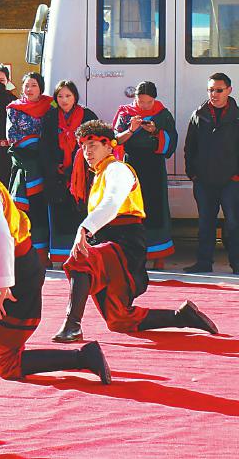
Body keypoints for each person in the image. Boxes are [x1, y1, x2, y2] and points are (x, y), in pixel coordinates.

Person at [0, 125, 111, 384]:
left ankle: (83, 357)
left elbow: (1, 236)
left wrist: (3, 285)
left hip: (17, 267)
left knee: (7, 366)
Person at [52, 121, 218, 343]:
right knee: (119, 320)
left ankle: (72, 325)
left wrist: (84, 228)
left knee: (81, 259)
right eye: (83, 147)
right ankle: (181, 317)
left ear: (109, 146)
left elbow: (112, 203)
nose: (87, 152)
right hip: (108, 244)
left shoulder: (118, 169)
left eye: (92, 145)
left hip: (125, 244)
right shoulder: (99, 174)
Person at [114, 81, 177, 269]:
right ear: (135, 98)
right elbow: (115, 140)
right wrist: (131, 129)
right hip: (131, 167)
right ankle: (132, 254)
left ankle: (158, 255)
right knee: (132, 210)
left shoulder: (163, 114)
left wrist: (156, 131)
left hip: (154, 167)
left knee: (156, 208)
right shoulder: (125, 113)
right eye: (141, 102)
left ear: (154, 99)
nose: (145, 106)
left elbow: (172, 141)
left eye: (149, 102)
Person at [183, 72, 239, 274]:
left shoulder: (236, 116)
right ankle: (204, 263)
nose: (214, 94)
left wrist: (236, 176)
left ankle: (237, 264)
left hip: (231, 181)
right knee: (205, 224)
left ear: (229, 90)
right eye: (210, 90)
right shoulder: (199, 115)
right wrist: (193, 174)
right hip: (204, 181)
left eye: (218, 90)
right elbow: (190, 147)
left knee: (234, 224)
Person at [40, 81, 97, 264]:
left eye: (68, 96)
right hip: (56, 175)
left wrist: (78, 166)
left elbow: (95, 142)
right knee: (58, 215)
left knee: (80, 214)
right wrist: (53, 165)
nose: (64, 100)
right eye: (60, 96)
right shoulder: (50, 117)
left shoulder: (87, 116)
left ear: (75, 97)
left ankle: (81, 256)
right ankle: (59, 256)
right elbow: (44, 145)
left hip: (81, 174)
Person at [7, 72, 52, 263]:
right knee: (26, 210)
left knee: (42, 210)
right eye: (26, 85)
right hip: (23, 162)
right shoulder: (14, 109)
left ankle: (42, 253)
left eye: (34, 85)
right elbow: (11, 135)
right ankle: (25, 253)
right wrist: (33, 142)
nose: (29, 89)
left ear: (41, 88)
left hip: (45, 163)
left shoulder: (50, 106)